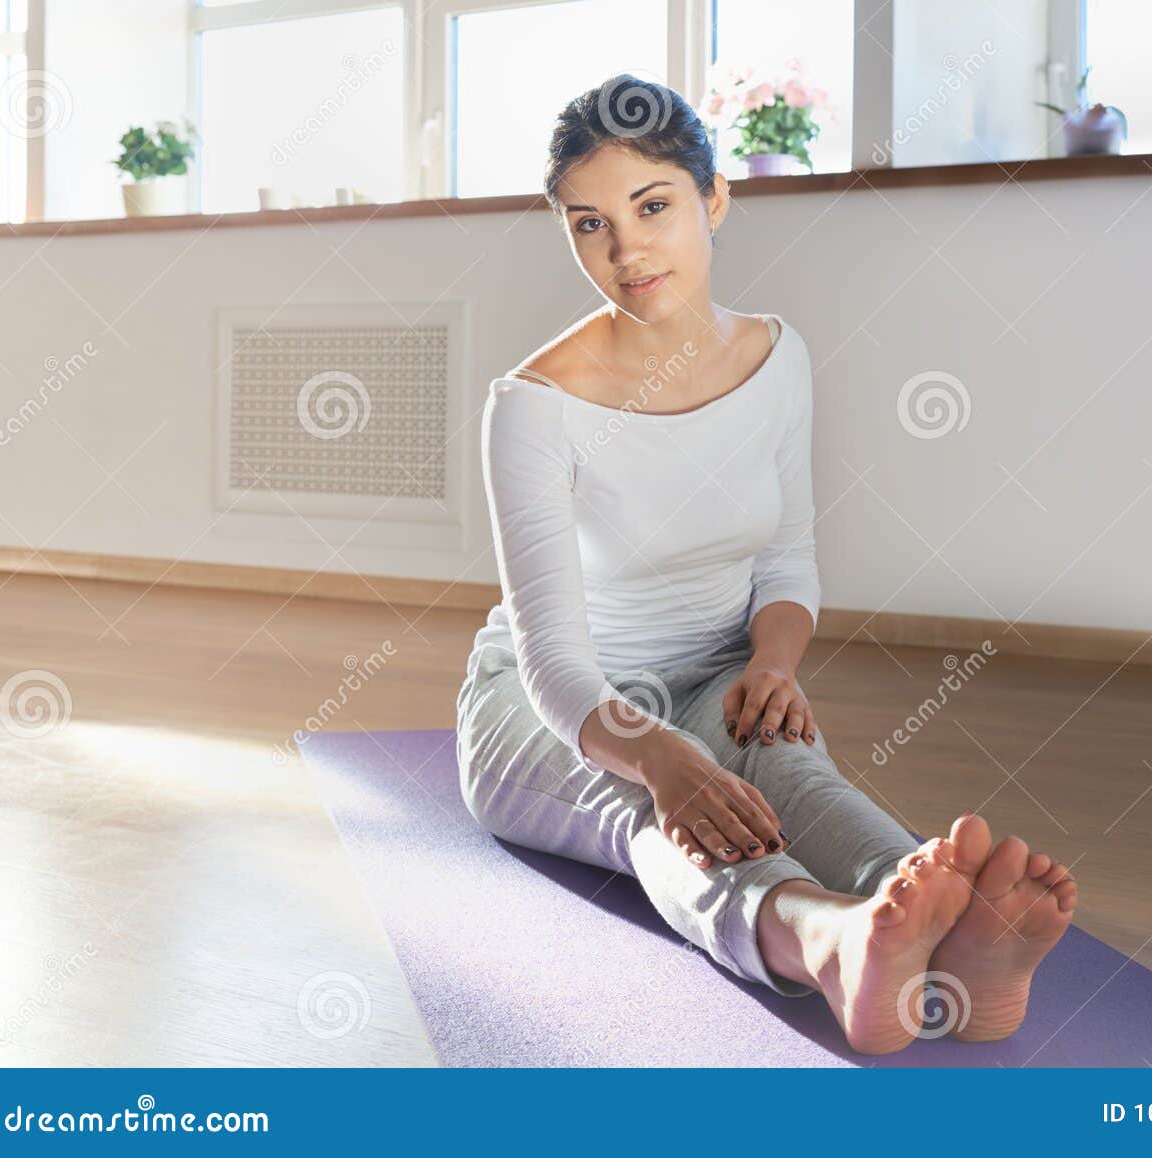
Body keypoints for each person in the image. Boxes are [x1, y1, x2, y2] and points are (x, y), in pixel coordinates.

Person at [454, 73, 1077, 1056]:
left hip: (715, 678)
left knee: (786, 765)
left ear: (714, 200)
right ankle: (824, 943)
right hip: (556, 715)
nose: (624, 251)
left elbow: (787, 559)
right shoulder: (531, 404)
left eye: (651, 206)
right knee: (660, 811)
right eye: (588, 224)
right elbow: (550, 662)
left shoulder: (777, 359)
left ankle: (952, 939)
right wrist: (665, 758)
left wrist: (773, 666)